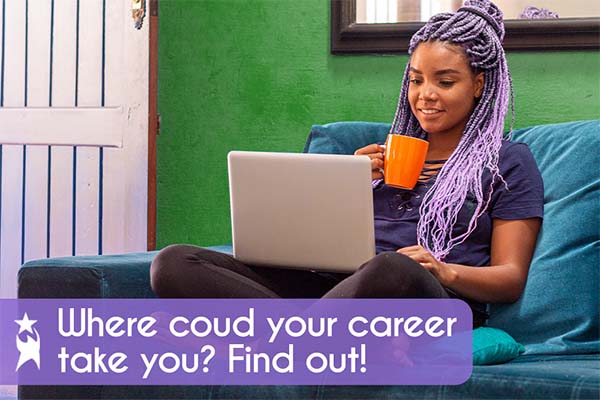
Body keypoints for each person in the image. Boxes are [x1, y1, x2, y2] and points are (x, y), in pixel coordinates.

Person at [150, 0, 543, 328]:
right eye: (416, 80)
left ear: (478, 84)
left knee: (392, 269)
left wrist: (443, 270)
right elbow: (314, 246)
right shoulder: (377, 157)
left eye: (445, 81)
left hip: (426, 299)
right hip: (340, 290)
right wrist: (347, 186)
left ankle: (286, 338)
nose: (425, 95)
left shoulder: (506, 162)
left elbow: (510, 277)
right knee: (176, 262)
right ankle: (313, 338)